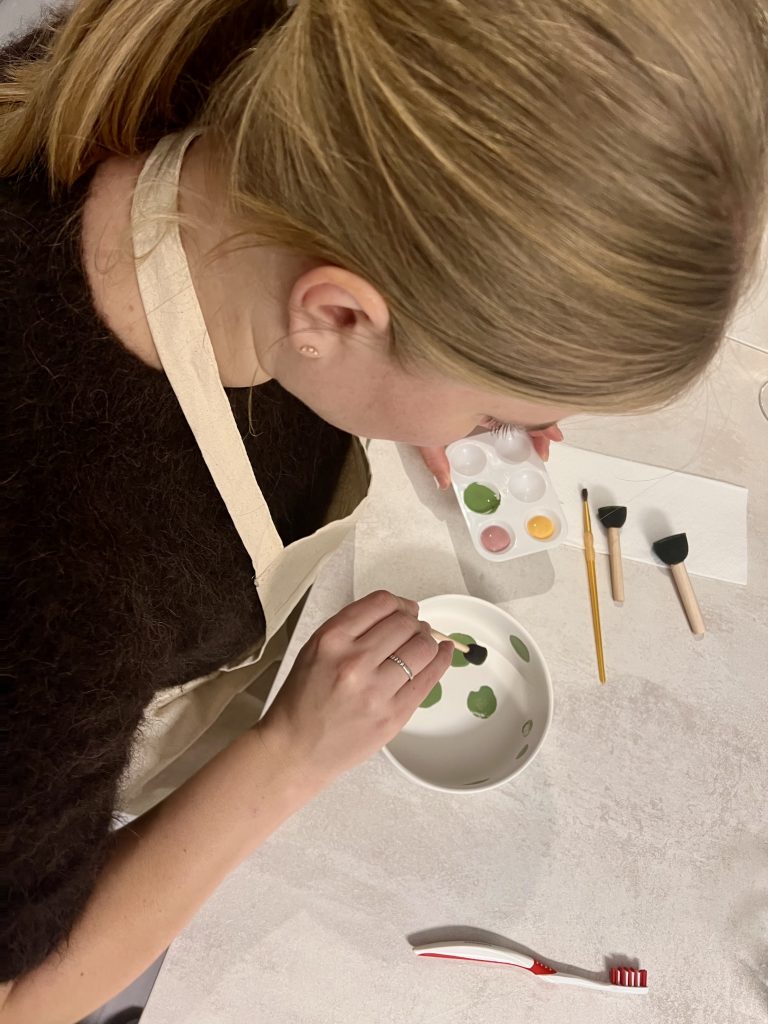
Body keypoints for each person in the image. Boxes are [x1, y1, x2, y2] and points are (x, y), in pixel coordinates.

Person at [1, 0, 765, 1019]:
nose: (523, 436)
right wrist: (290, 754)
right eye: (498, 410)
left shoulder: (263, 73)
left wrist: (432, 397)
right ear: (336, 311)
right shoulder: (67, 583)